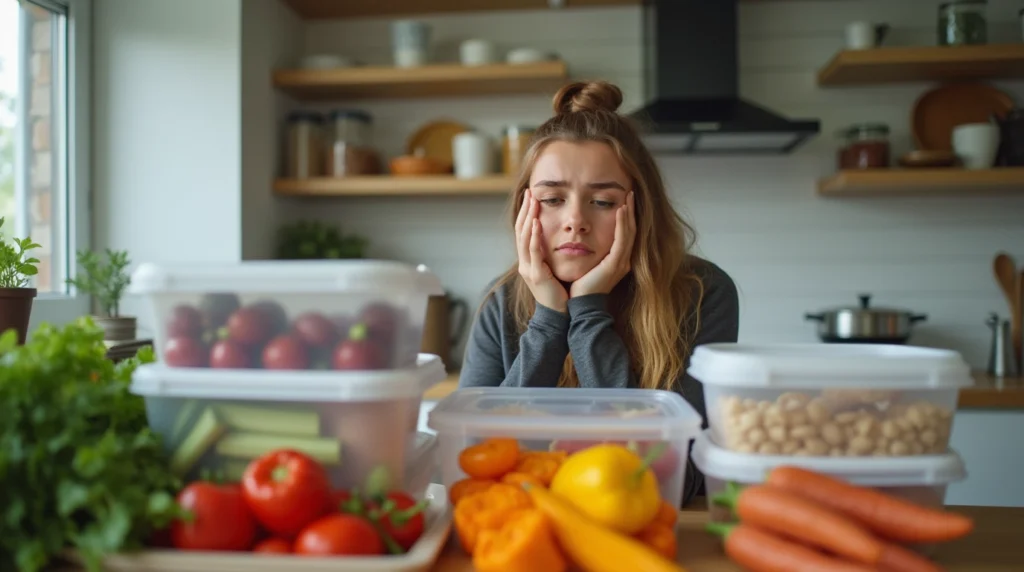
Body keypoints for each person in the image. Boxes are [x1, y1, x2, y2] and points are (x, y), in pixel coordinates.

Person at [458, 80, 740, 505]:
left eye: (604, 202)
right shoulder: (501, 302)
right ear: (524, 210)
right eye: (552, 199)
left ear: (639, 210)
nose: (575, 220)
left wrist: (588, 312)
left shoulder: (703, 294)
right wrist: (550, 320)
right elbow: (475, 461)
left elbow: (676, 480)